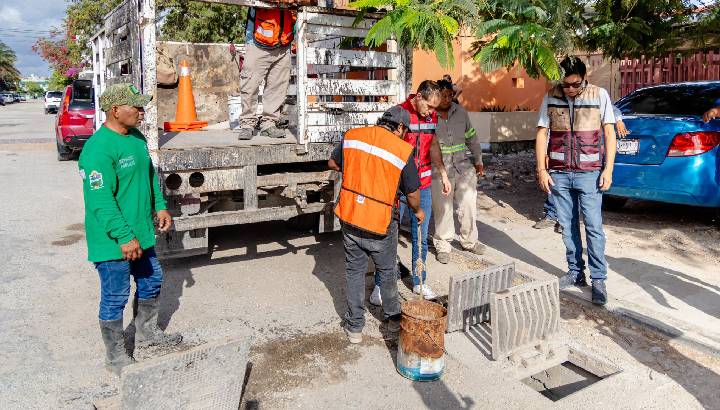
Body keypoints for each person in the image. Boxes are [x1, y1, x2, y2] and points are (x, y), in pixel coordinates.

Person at [79, 83, 182, 376]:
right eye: (135, 106)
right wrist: (124, 237)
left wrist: (160, 206)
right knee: (116, 295)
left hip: (141, 234)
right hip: (114, 241)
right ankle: (115, 357)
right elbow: (100, 201)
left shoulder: (136, 137)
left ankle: (147, 333)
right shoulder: (97, 149)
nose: (141, 111)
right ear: (114, 110)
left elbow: (149, 177)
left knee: (152, 280)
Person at [328, 106, 425, 343]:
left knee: (354, 271)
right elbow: (413, 193)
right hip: (380, 222)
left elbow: (332, 163)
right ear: (400, 127)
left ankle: (354, 328)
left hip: (351, 215)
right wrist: (418, 211)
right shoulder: (401, 150)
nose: (405, 135)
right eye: (406, 131)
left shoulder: (353, 136)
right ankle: (393, 320)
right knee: (387, 271)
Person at [535, 56, 617, 306]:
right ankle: (575, 272)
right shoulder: (550, 96)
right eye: (566, 84)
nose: (570, 89)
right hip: (559, 173)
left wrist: (608, 170)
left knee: (593, 227)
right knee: (567, 225)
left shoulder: (599, 95)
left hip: (590, 173)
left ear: (584, 78)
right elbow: (542, 133)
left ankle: (598, 279)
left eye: (575, 84)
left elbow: (609, 132)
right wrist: (542, 170)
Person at [369, 81, 451, 305]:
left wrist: (443, 174)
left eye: (435, 108)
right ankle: (380, 285)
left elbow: (433, 146)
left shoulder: (431, 118)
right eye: (429, 106)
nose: (432, 112)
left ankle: (419, 281)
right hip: (398, 187)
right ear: (419, 97)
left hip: (423, 185)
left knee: (421, 237)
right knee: (389, 237)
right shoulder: (399, 114)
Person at [534, 105, 628, 233]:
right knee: (554, 185)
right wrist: (545, 153)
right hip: (559, 155)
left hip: (582, 157)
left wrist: (618, 120)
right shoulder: (556, 102)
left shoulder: (592, 98)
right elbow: (546, 131)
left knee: (576, 189)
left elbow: (611, 109)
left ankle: (567, 221)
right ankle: (551, 215)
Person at [431, 79, 486, 264]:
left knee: (468, 205)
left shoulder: (461, 112)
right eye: (443, 96)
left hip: (464, 168)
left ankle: (469, 241)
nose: (447, 99)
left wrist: (478, 159)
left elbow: (471, 136)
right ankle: (443, 245)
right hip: (439, 171)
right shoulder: (429, 116)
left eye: (450, 95)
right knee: (443, 209)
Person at [236, 6, 296, 140]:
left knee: (277, 86)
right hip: (258, 41)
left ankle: (269, 124)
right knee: (250, 84)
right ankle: (247, 124)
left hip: (283, 42)